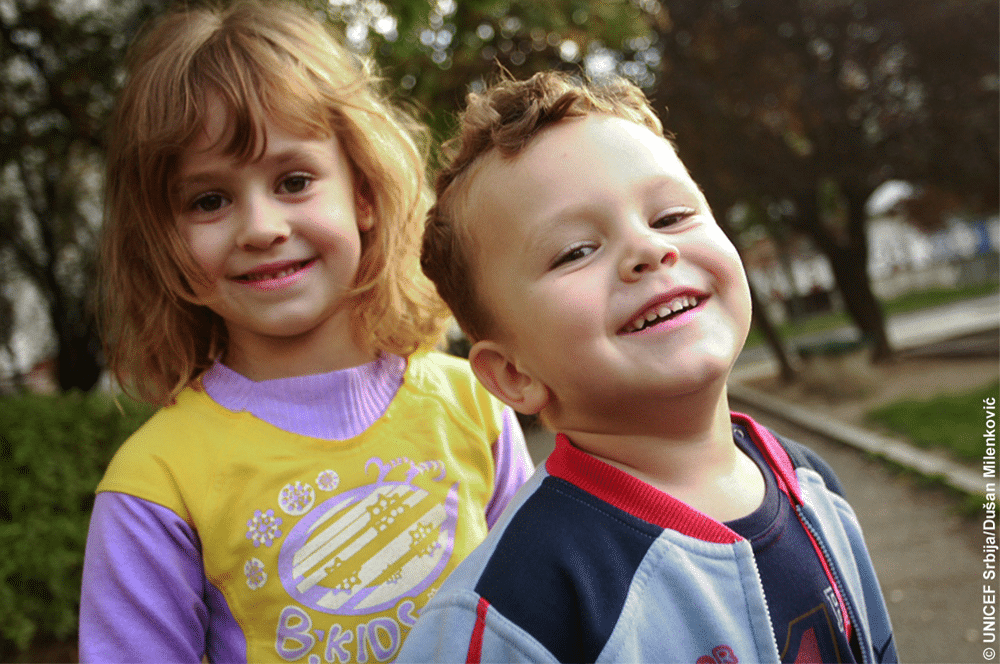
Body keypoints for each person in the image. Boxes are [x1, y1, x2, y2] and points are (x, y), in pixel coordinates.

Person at [79, 3, 532, 662]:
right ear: (163, 243)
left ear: (365, 195)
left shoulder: (476, 406)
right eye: (209, 200)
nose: (260, 227)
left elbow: (543, 621)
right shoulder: (154, 484)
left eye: (293, 181)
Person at [397, 71, 897, 664]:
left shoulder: (812, 485)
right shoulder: (515, 608)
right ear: (512, 375)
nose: (649, 249)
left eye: (671, 217)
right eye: (576, 251)